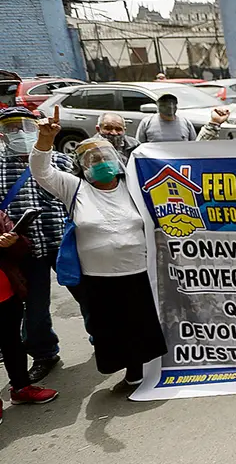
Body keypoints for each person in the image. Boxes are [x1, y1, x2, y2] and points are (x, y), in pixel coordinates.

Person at [31, 108, 167, 386]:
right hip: (98, 278)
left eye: (105, 157)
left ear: (116, 160)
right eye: (92, 159)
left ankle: (140, 371)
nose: (100, 162)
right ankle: (124, 366)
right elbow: (41, 172)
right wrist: (45, 140)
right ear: (83, 165)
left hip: (138, 272)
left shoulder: (135, 186)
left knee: (141, 324)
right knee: (109, 329)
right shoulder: (75, 188)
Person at [0, 107, 89, 382]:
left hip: (64, 243)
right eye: (10, 128)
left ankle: (104, 340)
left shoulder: (60, 161)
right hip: (25, 249)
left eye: (24, 126)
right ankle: (44, 354)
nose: (19, 133)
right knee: (35, 309)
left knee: (87, 296)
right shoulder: (0, 168)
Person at [0, 206, 59, 420]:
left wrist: (13, 240)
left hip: (6, 291)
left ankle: (21, 388)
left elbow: (21, 251)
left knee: (12, 343)